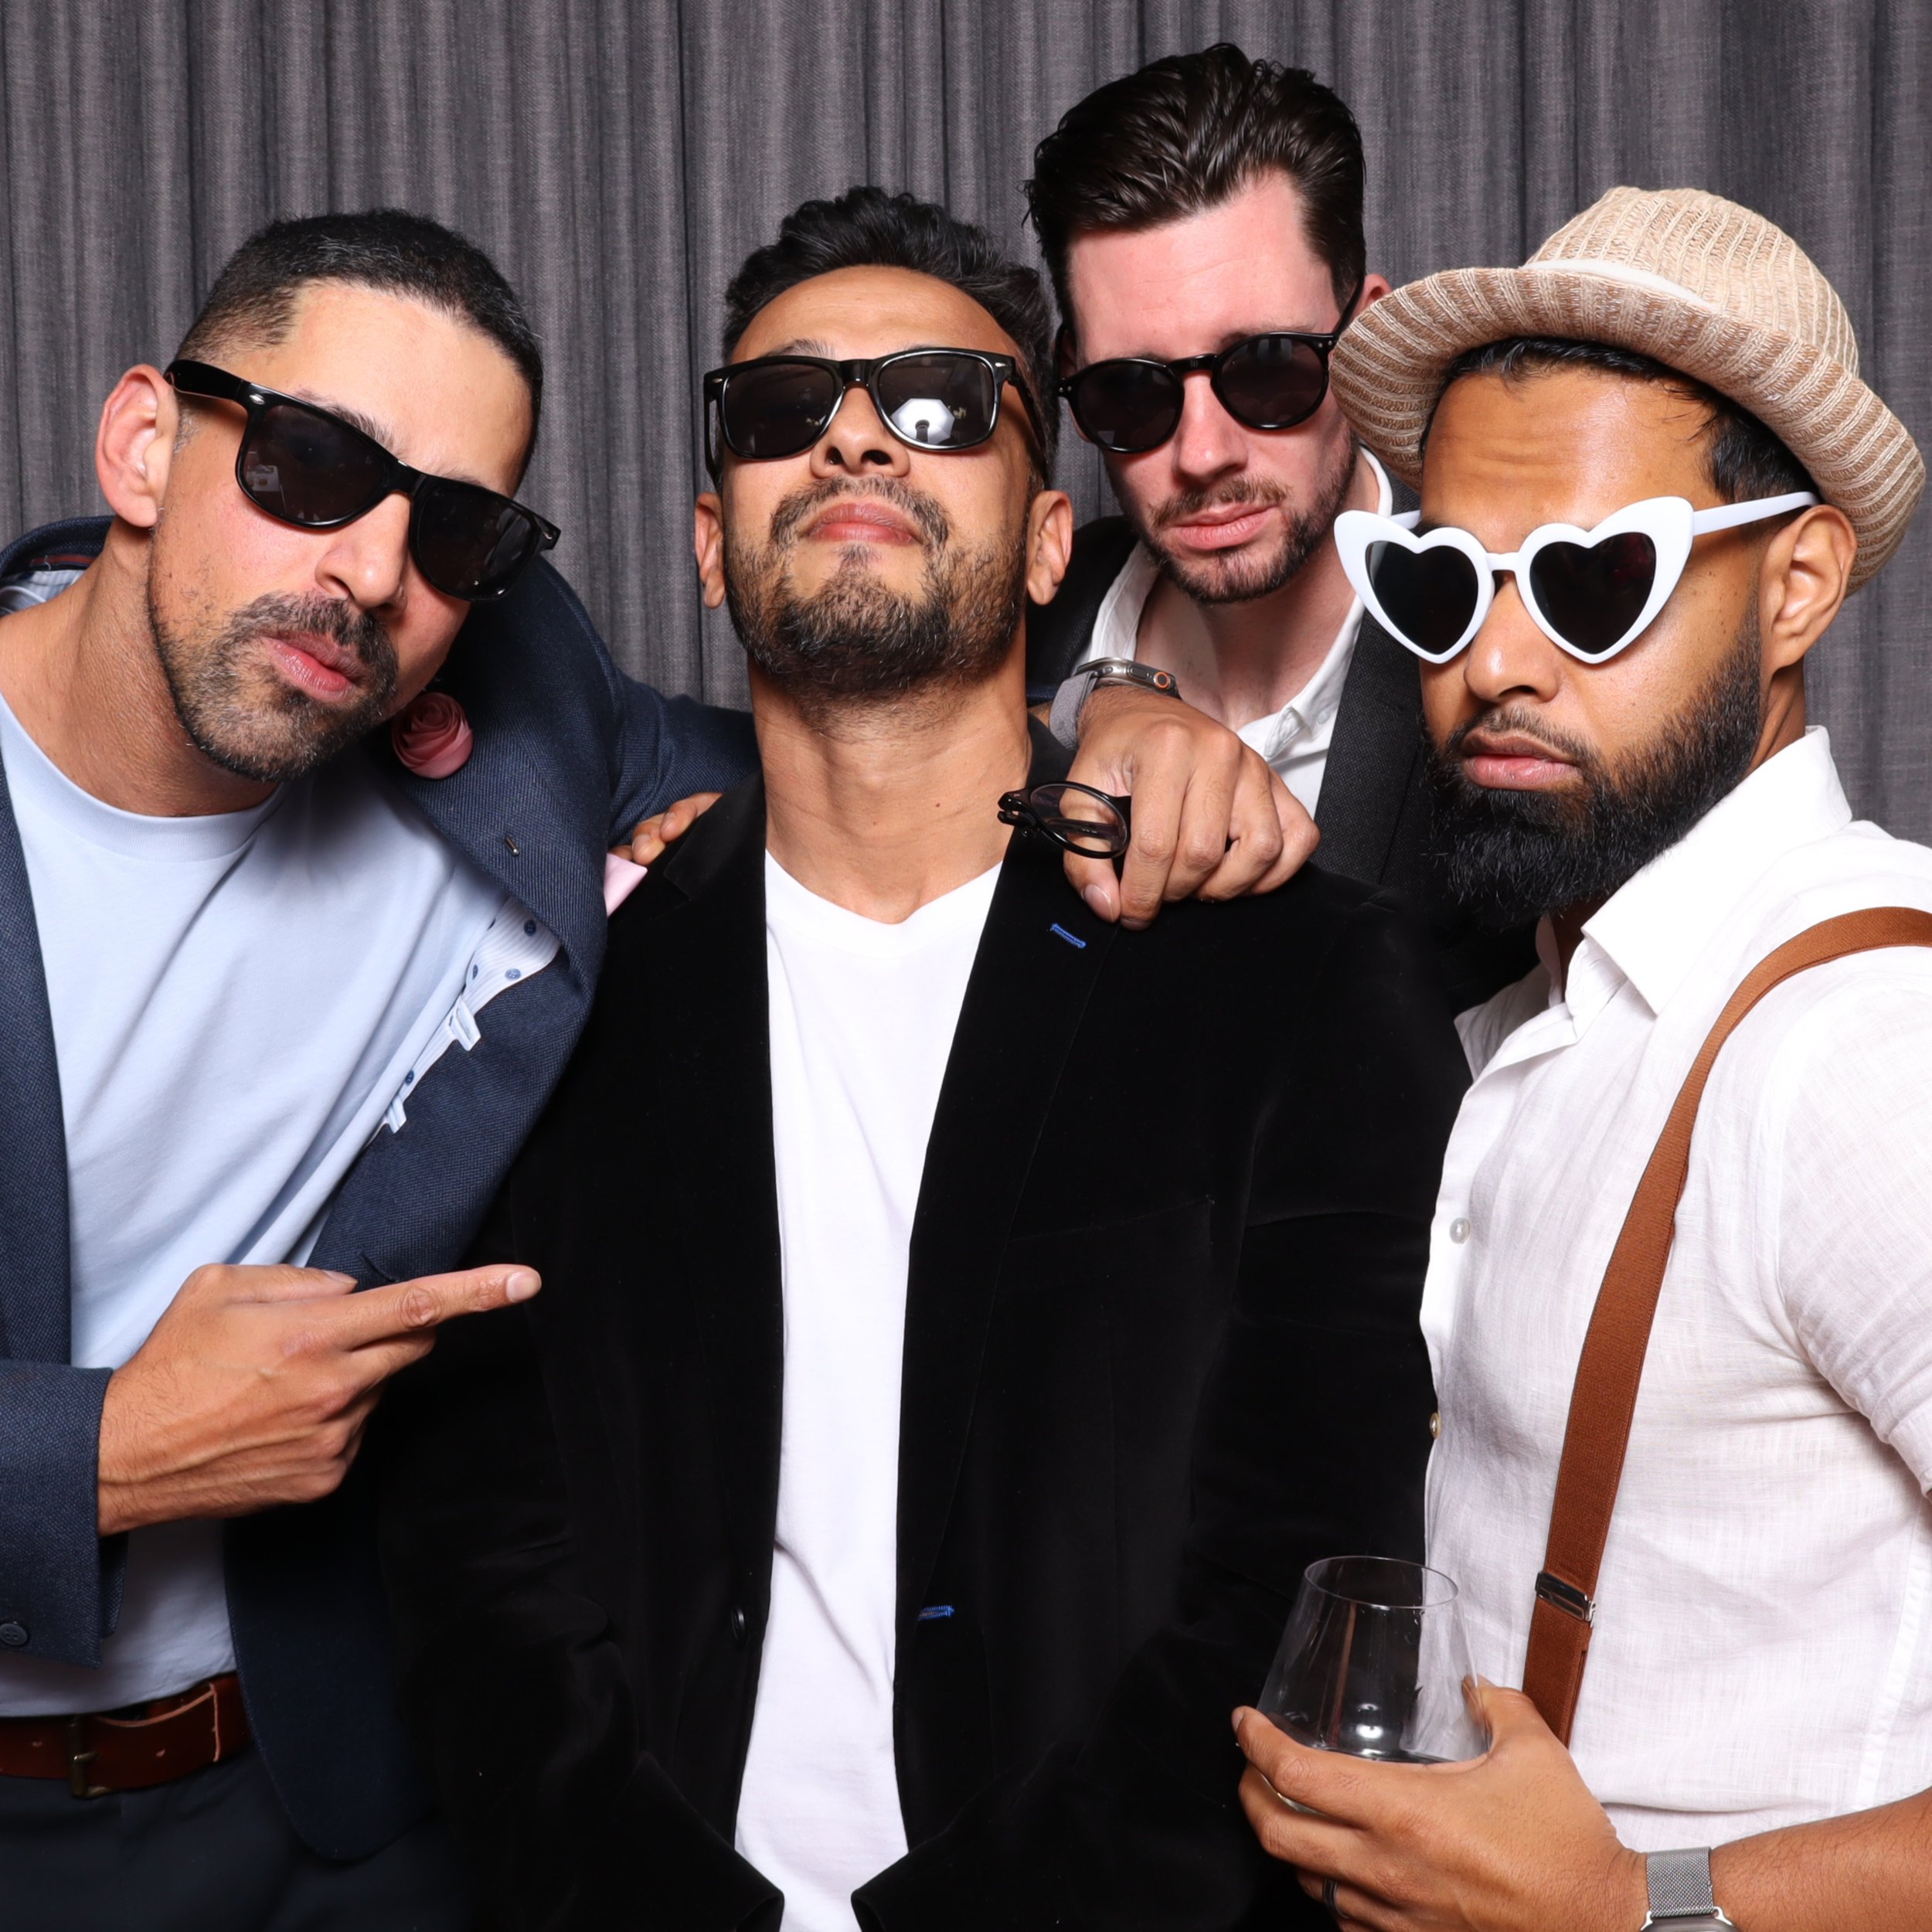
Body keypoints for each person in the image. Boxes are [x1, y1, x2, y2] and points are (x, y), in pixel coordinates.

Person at [0, 207, 1276, 1931]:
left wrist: (1125, 709)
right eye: (306, 466)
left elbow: (874, 724)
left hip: (338, 1805)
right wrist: (94, 1453)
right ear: (145, 441)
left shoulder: (514, 714)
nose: (371, 569)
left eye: (452, 530)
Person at [377, 185, 1469, 1932]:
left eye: (941, 401)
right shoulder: (558, 1007)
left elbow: (1306, 1574)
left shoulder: (1302, 986)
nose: (858, 432)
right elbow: (484, 1571)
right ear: (707, 540)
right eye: (777, 410)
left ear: (1049, 543)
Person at [1230, 187, 1932, 1930]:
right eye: (1441, 580)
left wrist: (1642, 1903)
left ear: (1792, 585)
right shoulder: (1555, 1004)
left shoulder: (1856, 1047)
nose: (1494, 659)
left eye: (1592, 580)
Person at [1025, 44, 1533, 1009]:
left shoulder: (1508, 644)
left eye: (1265, 369)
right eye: (1130, 391)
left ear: (1368, 338)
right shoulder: (1018, 625)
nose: (1203, 452)